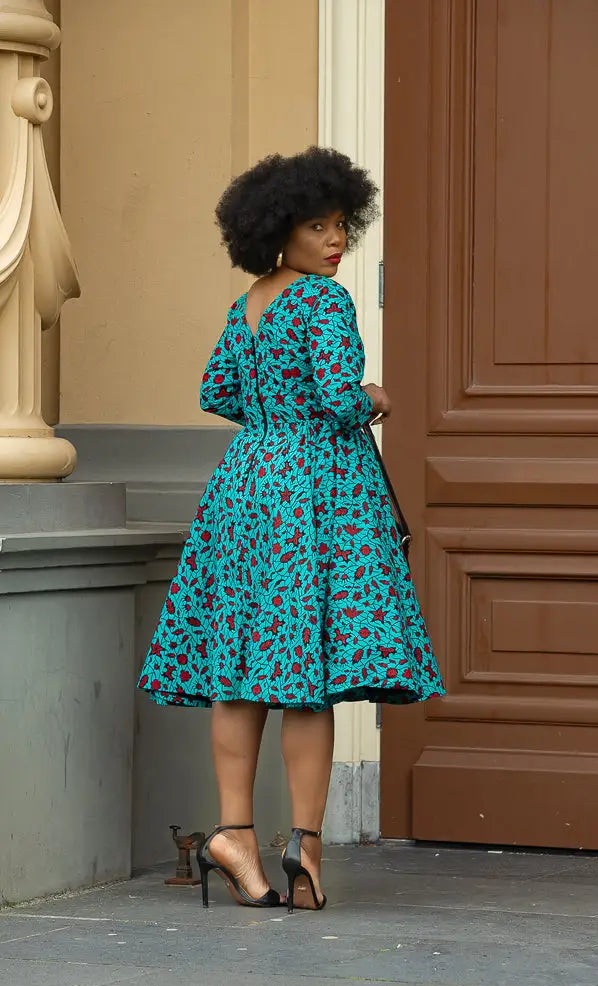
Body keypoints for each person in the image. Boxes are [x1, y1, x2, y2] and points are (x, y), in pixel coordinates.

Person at [137, 146, 445, 913]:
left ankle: (234, 838)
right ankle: (304, 851)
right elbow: (340, 400)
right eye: (317, 226)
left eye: (340, 224)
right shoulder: (322, 301)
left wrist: (273, 417)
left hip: (246, 488)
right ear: (277, 230)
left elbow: (217, 391)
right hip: (315, 493)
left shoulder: (249, 303)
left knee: (240, 669)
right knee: (308, 680)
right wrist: (373, 396)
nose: (334, 240)